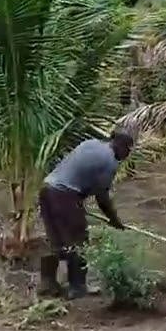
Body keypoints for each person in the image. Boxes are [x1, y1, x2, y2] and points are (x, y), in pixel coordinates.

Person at [37, 128, 134, 299]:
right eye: (128, 150)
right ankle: (78, 287)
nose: (127, 154)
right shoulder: (110, 161)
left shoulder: (90, 144)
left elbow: (78, 172)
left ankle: (48, 284)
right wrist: (115, 221)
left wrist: (78, 200)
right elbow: (102, 197)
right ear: (121, 146)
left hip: (47, 189)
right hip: (64, 195)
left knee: (56, 238)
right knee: (79, 240)